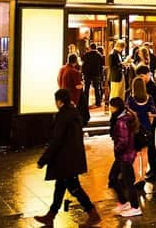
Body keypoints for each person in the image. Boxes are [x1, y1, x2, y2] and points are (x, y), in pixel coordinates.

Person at [34, 89, 101, 226]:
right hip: (72, 158)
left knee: (74, 187)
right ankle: (50, 215)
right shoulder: (74, 114)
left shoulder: (63, 116)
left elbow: (56, 140)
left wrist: (43, 160)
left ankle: (93, 213)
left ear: (59, 101)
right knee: (60, 187)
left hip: (65, 160)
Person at [108, 97, 143, 217]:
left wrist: (117, 149)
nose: (110, 109)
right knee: (113, 177)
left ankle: (135, 207)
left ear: (115, 107)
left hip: (125, 155)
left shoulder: (121, 121)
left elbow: (123, 140)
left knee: (128, 182)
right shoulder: (122, 118)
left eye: (111, 107)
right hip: (123, 155)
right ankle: (124, 202)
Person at [126, 77, 156, 191]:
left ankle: (137, 177)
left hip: (134, 129)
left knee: (136, 154)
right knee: (145, 153)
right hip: (146, 129)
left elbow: (127, 114)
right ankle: (143, 176)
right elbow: (153, 113)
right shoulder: (149, 98)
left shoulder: (131, 99)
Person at [135, 64, 156, 182]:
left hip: (150, 120)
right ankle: (152, 170)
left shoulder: (154, 88)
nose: (141, 78)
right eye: (139, 76)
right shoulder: (140, 86)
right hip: (142, 120)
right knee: (147, 145)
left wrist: (152, 115)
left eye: (143, 76)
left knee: (150, 145)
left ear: (148, 74)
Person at [82, 43, 104, 108]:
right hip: (96, 74)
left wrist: (83, 72)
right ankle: (98, 102)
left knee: (86, 89)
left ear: (90, 47)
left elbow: (84, 64)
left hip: (87, 74)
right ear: (96, 47)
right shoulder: (99, 55)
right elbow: (101, 65)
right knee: (97, 89)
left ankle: (85, 103)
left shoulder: (86, 55)